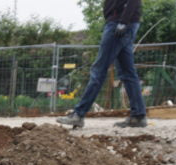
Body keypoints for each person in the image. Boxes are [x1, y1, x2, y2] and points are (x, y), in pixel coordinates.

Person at [57, 0, 147, 129]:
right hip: (125, 23)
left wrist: (123, 21)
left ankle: (78, 114)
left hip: (119, 24)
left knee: (98, 70)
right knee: (127, 73)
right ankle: (138, 116)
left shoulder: (121, 20)